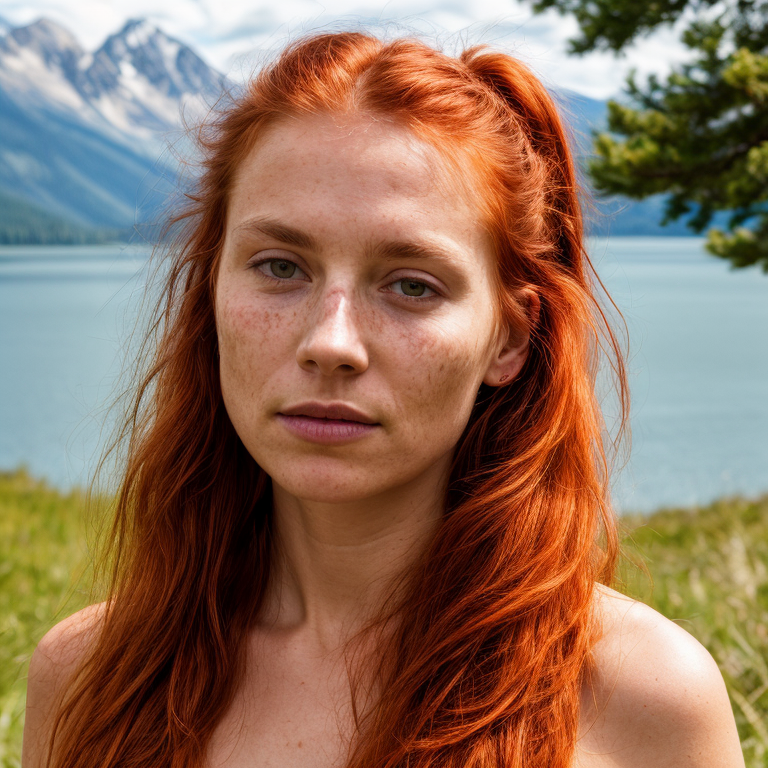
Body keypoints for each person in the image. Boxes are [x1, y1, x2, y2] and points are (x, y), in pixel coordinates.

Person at [22, 30, 744, 768]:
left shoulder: (643, 700)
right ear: (210, 294)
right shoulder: (90, 681)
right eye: (279, 267)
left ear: (510, 339)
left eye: (411, 285)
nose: (331, 342)